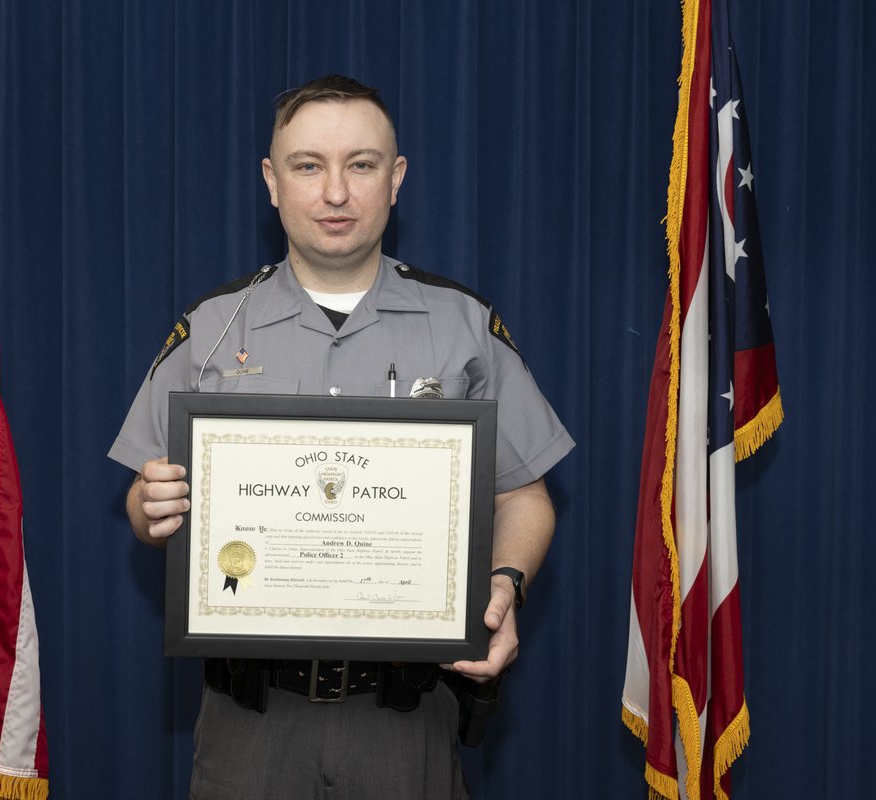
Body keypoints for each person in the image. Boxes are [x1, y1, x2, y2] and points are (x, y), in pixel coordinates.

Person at [109, 75, 574, 800]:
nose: (335, 192)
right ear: (271, 181)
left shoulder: (463, 327)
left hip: (406, 720)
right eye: (307, 165)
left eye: (360, 165)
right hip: (249, 724)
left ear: (396, 179)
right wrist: (151, 504)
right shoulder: (210, 327)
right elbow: (144, 506)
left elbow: (525, 495)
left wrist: (503, 588)